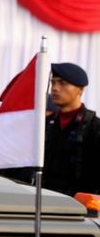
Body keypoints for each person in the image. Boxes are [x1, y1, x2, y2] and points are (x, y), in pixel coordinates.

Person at [43, 63, 100, 196]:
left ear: (80, 90)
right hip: (46, 199)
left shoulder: (93, 127)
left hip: (80, 206)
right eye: (53, 83)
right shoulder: (47, 124)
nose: (55, 89)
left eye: (62, 83)